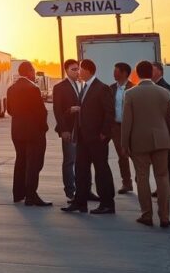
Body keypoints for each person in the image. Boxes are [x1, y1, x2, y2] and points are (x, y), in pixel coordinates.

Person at [122, 60, 170, 228]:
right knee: (163, 177)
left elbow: (127, 121)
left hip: (139, 141)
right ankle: (165, 216)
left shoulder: (130, 94)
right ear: (152, 73)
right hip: (161, 140)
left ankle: (147, 214)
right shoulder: (164, 92)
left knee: (142, 177)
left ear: (137, 73)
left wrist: (124, 143)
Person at [62, 58, 116, 214]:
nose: (78, 72)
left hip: (97, 138)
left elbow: (109, 112)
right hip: (83, 138)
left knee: (101, 171)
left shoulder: (102, 88)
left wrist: (104, 133)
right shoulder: (85, 87)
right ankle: (80, 203)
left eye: (80, 69)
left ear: (87, 70)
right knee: (81, 170)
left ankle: (107, 204)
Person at [6, 61, 50, 206]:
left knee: (20, 161)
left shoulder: (11, 88)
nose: (34, 73)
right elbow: (41, 112)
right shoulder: (33, 88)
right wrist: (43, 128)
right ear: (29, 71)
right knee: (33, 163)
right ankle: (31, 195)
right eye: (33, 70)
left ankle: (18, 193)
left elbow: (9, 110)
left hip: (17, 131)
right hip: (33, 132)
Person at [52, 59, 82, 201]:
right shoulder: (60, 87)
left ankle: (84, 189)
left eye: (78, 69)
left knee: (82, 161)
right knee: (69, 161)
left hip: (81, 129)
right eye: (73, 69)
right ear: (66, 71)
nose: (77, 72)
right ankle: (70, 191)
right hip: (69, 129)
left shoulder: (81, 84)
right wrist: (64, 129)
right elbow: (57, 110)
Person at [152, 62, 170, 198]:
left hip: (164, 130)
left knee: (169, 160)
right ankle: (162, 187)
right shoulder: (153, 86)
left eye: (152, 70)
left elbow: (169, 115)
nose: (150, 72)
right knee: (158, 162)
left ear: (159, 71)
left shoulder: (165, 88)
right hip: (155, 130)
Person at [109, 62, 136, 194]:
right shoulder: (111, 88)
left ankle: (140, 179)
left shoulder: (133, 88)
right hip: (116, 127)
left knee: (134, 154)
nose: (114, 73)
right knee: (122, 156)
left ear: (124, 73)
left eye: (116, 71)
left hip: (131, 127)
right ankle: (126, 182)